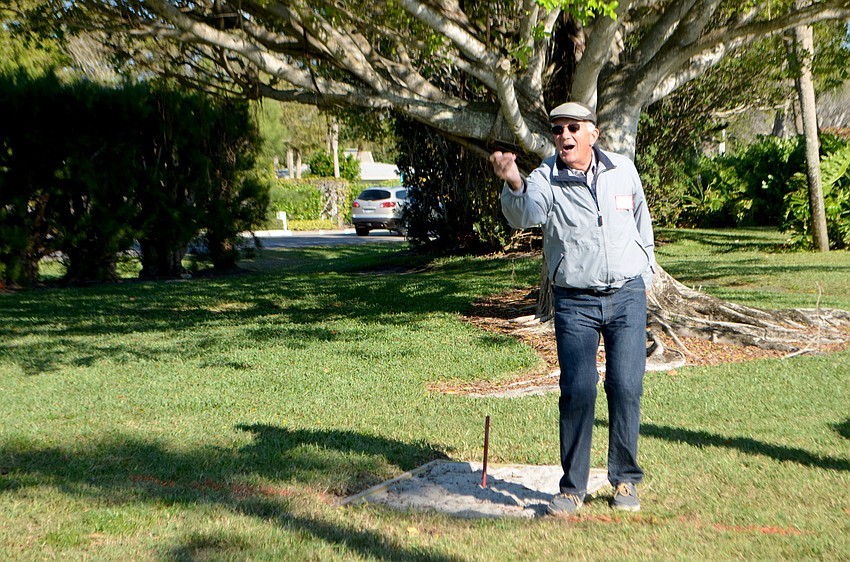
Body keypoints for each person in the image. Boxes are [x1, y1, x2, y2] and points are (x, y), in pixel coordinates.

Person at [490, 101, 656, 515]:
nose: (564, 135)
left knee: (625, 387)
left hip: (627, 297)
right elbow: (525, 213)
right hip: (575, 301)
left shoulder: (622, 170)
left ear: (592, 133)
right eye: (558, 129)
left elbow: (641, 221)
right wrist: (513, 181)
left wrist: (645, 272)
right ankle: (572, 488)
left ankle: (625, 481)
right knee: (578, 391)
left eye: (573, 127)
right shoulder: (546, 176)